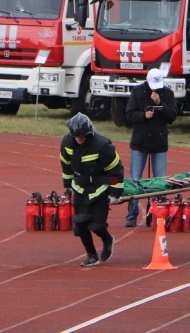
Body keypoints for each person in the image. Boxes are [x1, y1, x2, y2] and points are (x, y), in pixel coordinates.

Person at [60, 113, 124, 267]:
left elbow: (116, 171)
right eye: (76, 136)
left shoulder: (102, 145)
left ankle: (107, 239)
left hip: (100, 189)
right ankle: (91, 255)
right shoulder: (67, 143)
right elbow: (66, 165)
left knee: (96, 225)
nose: (79, 138)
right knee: (80, 224)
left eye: (82, 136)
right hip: (80, 187)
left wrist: (115, 194)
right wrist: (68, 186)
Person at [124, 68, 178, 227]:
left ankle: (159, 214)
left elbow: (173, 115)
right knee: (135, 180)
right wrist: (142, 115)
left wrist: (160, 103)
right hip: (140, 141)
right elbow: (129, 114)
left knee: (160, 181)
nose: (155, 88)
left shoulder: (167, 94)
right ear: (147, 80)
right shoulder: (137, 92)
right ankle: (131, 215)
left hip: (159, 142)